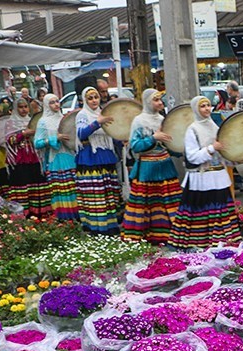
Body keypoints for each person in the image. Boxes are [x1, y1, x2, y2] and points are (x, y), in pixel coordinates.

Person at [168, 96, 240, 250]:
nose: (207, 109)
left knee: (220, 214)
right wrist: (212, 148)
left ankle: (223, 246)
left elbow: (222, 154)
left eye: (208, 105)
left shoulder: (214, 126)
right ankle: (201, 246)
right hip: (201, 179)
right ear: (196, 109)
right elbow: (193, 157)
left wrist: (235, 158)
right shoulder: (192, 129)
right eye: (202, 106)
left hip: (219, 177)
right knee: (202, 214)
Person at [122, 88, 181, 245]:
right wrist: (153, 138)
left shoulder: (163, 119)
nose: (160, 102)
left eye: (160, 99)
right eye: (156, 100)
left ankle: (169, 235)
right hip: (147, 168)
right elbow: (135, 146)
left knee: (168, 202)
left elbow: (172, 144)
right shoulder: (139, 121)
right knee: (147, 204)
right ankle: (147, 236)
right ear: (147, 102)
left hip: (165, 166)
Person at [75, 86, 121, 235]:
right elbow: (81, 134)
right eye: (90, 98)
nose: (94, 100)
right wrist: (97, 122)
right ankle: (97, 227)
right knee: (96, 194)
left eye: (96, 97)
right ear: (84, 100)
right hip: (90, 157)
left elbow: (112, 133)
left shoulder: (103, 113)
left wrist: (122, 139)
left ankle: (111, 225)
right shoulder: (82, 115)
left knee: (110, 192)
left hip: (106, 155)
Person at [34, 94, 78, 221]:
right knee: (61, 190)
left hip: (70, 156)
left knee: (74, 187)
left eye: (57, 101)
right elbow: (37, 143)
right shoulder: (43, 122)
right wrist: (54, 138)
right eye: (52, 102)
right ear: (47, 105)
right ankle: (65, 219)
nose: (56, 105)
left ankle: (78, 216)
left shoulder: (65, 119)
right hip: (56, 159)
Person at [4, 97, 50, 219]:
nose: (24, 110)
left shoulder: (32, 121)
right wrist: (23, 134)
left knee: (37, 183)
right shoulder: (10, 123)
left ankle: (40, 213)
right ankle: (22, 214)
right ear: (15, 108)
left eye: (25, 107)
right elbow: (9, 140)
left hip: (34, 157)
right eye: (20, 107)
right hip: (20, 159)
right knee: (22, 184)